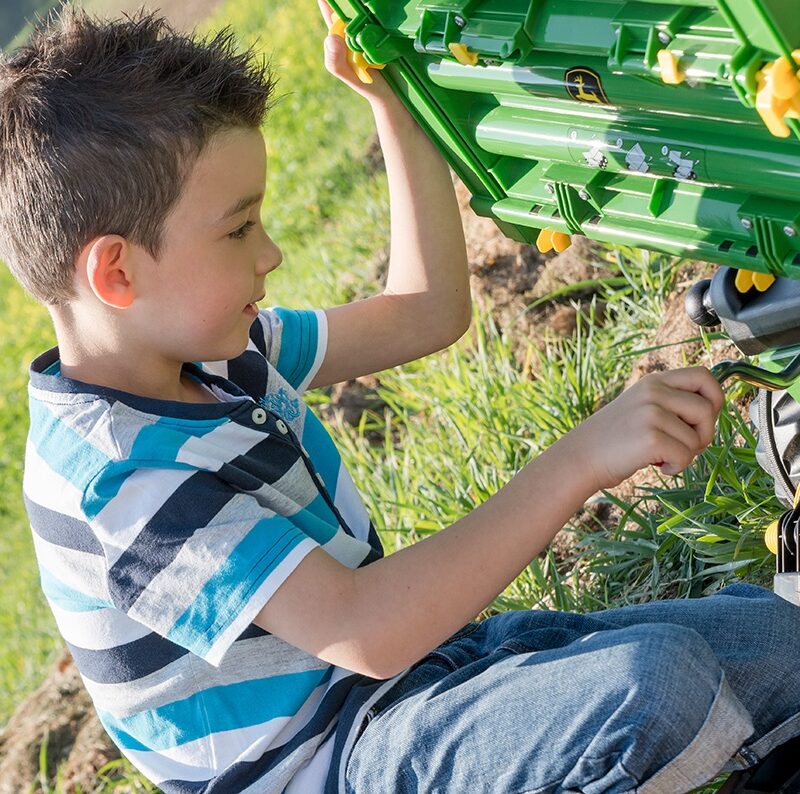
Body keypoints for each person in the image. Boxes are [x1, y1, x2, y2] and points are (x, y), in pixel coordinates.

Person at [1, 3, 798, 793]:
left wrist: (394, 104)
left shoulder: (213, 352)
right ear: (117, 274)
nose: (271, 252)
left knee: (777, 645)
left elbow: (425, 309)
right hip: (338, 763)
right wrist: (583, 457)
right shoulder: (121, 482)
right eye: (239, 228)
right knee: (653, 687)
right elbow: (365, 630)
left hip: (418, 685)